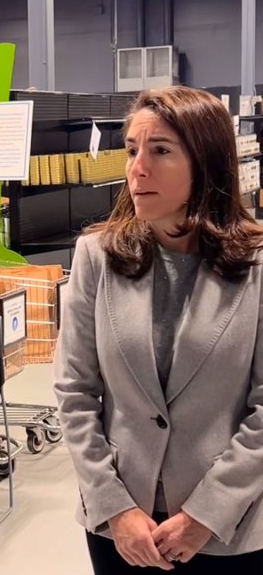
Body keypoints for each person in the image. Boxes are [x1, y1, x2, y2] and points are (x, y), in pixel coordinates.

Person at [53, 86, 263, 574]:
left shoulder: (255, 265)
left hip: (228, 528)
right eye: (132, 150)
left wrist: (207, 513)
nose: (137, 168)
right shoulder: (96, 257)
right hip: (122, 528)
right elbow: (74, 391)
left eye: (161, 150)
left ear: (206, 162)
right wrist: (115, 508)